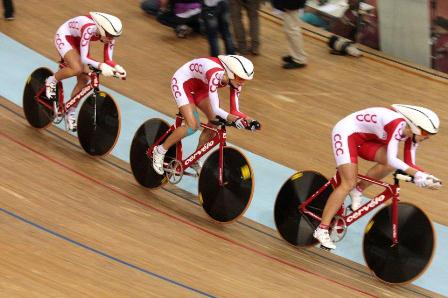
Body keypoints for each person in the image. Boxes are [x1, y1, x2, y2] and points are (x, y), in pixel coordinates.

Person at [314, 104, 442, 250]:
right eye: (426, 135)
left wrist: (426, 178)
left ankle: (359, 188)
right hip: (346, 134)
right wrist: (419, 176)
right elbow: (394, 158)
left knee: (389, 164)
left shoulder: (411, 135)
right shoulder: (396, 124)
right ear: (415, 128)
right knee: (347, 183)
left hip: (367, 140)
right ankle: (322, 229)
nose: (427, 139)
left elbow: (409, 164)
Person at [152, 55, 259, 175]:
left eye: (245, 80)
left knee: (215, 122)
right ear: (231, 73)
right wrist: (235, 120)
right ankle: (160, 151)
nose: (243, 83)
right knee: (192, 125)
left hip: (201, 87)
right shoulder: (215, 73)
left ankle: (194, 159)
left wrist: (249, 120)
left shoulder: (234, 81)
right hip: (183, 83)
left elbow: (235, 111)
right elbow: (216, 109)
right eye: (241, 78)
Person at [45, 12, 127, 132]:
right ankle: (51, 81)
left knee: (84, 79)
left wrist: (117, 68)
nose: (111, 39)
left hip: (79, 40)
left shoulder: (110, 35)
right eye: (109, 36)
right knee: (77, 69)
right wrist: (101, 66)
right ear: (102, 30)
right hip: (65, 36)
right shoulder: (89, 27)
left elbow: (108, 59)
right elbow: (85, 58)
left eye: (114, 37)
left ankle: (70, 111)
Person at [272, 0, 308, 69]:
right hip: (290, 4)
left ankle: (299, 59)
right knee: (289, 30)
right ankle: (295, 55)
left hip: (291, 4)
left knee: (293, 31)